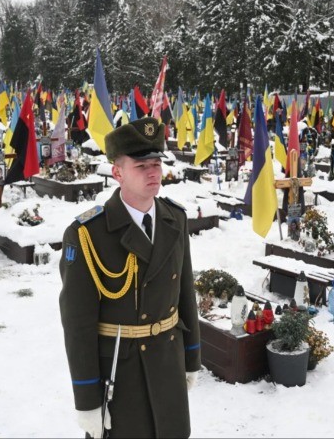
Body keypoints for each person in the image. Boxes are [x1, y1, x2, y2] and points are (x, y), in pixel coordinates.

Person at [58, 116, 201, 438]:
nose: (153, 172)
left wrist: (192, 357)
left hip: (168, 357)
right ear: (117, 172)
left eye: (156, 163)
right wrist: (87, 400)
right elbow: (77, 324)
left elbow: (184, 293)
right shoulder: (87, 234)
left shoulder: (174, 218)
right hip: (121, 372)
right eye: (141, 166)